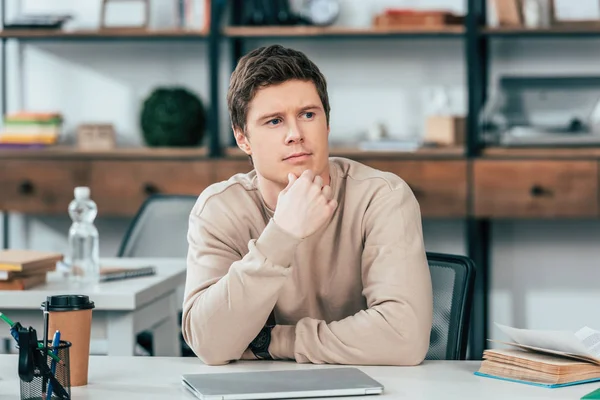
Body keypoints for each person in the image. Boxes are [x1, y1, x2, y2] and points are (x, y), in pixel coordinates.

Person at [182, 44, 433, 366]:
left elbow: (404, 338)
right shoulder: (220, 209)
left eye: (308, 115)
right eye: (274, 121)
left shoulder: (382, 196)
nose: (295, 134)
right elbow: (210, 344)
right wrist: (283, 234)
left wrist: (269, 341)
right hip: (256, 388)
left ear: (326, 124)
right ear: (242, 138)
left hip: (373, 382)